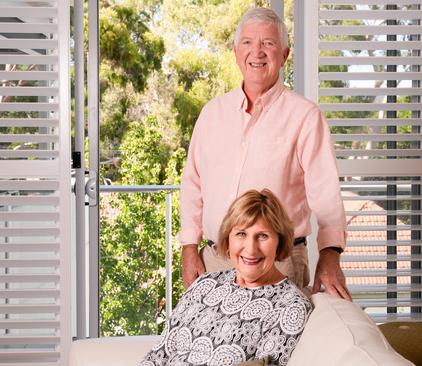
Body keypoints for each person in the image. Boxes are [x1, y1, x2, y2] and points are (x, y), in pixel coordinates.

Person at [179, 7, 351, 300]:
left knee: (273, 345)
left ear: (284, 55)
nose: (257, 52)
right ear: (236, 52)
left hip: (278, 261)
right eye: (248, 42)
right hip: (215, 260)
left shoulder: (305, 116)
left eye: (268, 44)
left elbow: (326, 194)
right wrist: (189, 248)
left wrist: (330, 254)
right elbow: (193, 186)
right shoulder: (212, 114)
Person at [139, 190, 313, 366]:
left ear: (280, 241)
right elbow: (158, 355)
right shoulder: (205, 284)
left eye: (262, 236)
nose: (251, 249)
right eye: (241, 234)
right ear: (228, 239)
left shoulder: (290, 307)